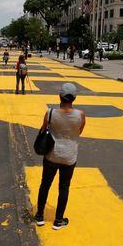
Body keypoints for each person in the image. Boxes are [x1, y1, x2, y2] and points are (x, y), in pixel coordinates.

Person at [34, 83, 86, 230]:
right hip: (69, 156)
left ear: (60, 96)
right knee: (64, 187)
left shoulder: (50, 113)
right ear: (74, 98)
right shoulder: (80, 115)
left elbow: (43, 130)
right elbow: (79, 132)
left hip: (51, 155)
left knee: (45, 184)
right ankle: (58, 220)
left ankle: (39, 216)